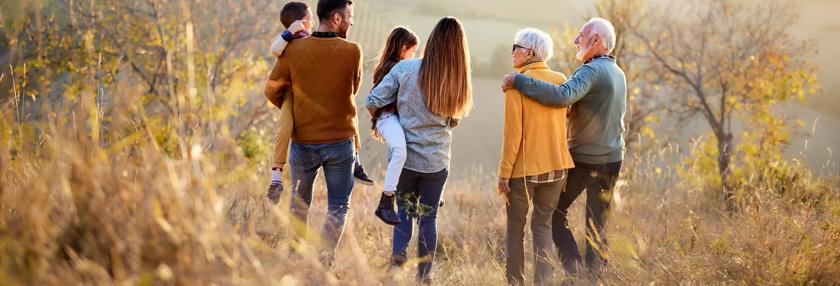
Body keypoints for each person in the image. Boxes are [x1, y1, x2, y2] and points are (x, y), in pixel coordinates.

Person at [501, 18, 627, 276]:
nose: (575, 40)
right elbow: (583, 106)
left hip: (585, 159)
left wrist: (520, 81)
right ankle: (593, 277)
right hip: (614, 158)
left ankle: (573, 272)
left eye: (580, 36)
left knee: (555, 214)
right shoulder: (617, 72)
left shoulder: (590, 71)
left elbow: (562, 96)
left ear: (595, 40)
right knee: (597, 221)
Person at [366, 17, 472, 284]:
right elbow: (454, 120)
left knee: (403, 212)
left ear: (432, 40)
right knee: (428, 218)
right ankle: (425, 276)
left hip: (406, 161)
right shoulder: (458, 81)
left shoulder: (405, 70)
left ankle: (396, 264)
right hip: (436, 162)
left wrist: (388, 124)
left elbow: (373, 100)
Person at [264, 0, 362, 266]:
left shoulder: (293, 51)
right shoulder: (353, 51)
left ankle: (295, 260)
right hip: (341, 143)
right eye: (349, 16)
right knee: (339, 205)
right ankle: (324, 261)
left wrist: (293, 105)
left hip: (303, 142)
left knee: (298, 207)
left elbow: (271, 89)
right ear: (337, 18)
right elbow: (352, 88)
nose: (352, 22)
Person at [498, 28, 575, 286]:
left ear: (529, 52)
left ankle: (515, 283)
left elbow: (513, 136)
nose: (512, 52)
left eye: (515, 46)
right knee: (542, 226)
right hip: (557, 168)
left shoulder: (514, 83)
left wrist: (503, 174)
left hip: (524, 170)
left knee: (515, 230)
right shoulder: (561, 79)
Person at [368, 27, 419, 226]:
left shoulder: (402, 68)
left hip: (397, 118)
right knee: (399, 150)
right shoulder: (392, 68)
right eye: (413, 52)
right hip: (387, 117)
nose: (415, 57)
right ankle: (386, 202)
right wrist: (380, 120)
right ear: (403, 49)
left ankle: (423, 193)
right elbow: (374, 102)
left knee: (414, 144)